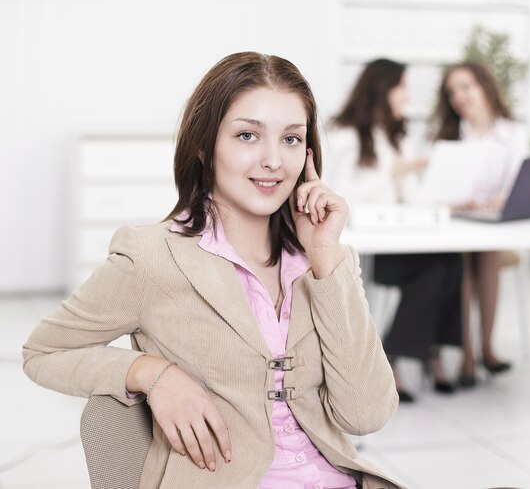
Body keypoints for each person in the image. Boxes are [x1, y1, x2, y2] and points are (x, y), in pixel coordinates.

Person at [23, 52, 405, 489]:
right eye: (247, 135)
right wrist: (152, 374)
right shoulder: (151, 256)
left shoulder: (328, 260)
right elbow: (44, 353)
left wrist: (325, 257)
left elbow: (365, 414)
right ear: (205, 146)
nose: (273, 161)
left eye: (291, 140)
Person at [324, 58, 464, 402]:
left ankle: (423, 349)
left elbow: (410, 196)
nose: (407, 95)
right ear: (383, 89)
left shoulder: (395, 134)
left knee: (451, 260)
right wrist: (394, 172)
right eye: (402, 87)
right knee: (433, 270)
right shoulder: (345, 134)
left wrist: (437, 198)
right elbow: (338, 196)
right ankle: (395, 358)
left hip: (397, 240)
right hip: (362, 248)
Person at [429, 60, 530, 387]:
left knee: (489, 253)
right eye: (452, 91)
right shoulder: (446, 135)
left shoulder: (512, 133)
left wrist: (494, 202)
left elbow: (517, 183)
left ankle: (487, 348)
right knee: (463, 261)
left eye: (465, 87)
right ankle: (468, 356)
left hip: (491, 224)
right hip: (455, 224)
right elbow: (435, 186)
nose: (459, 96)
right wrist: (458, 200)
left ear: (485, 86)